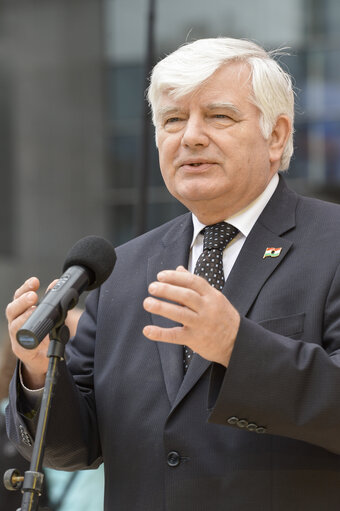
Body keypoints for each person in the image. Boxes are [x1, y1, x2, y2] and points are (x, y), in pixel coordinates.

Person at [5, 37, 340, 510]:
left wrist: (236, 347)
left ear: (277, 135)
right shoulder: (119, 269)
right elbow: (73, 447)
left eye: (219, 116)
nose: (191, 137)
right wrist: (40, 371)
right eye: (173, 120)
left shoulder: (332, 244)